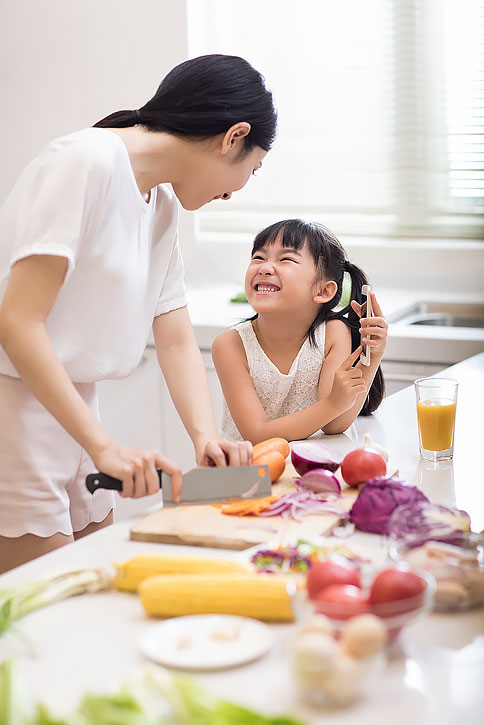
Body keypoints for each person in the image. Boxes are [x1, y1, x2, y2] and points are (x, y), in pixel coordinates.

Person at [0, 54, 277, 572]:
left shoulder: (161, 204)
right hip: (13, 408)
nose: (237, 189)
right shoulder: (84, 162)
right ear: (233, 136)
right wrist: (104, 448)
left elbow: (173, 334)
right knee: (53, 616)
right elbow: (17, 324)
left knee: (95, 586)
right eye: (252, 168)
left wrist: (204, 437)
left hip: (76, 404)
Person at [212, 219, 387, 443]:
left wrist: (372, 354)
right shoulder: (230, 345)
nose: (265, 268)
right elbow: (257, 434)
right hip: (246, 471)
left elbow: (335, 423)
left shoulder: (333, 334)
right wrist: (332, 403)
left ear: (323, 291)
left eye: (286, 259)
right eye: (258, 257)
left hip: (302, 469)